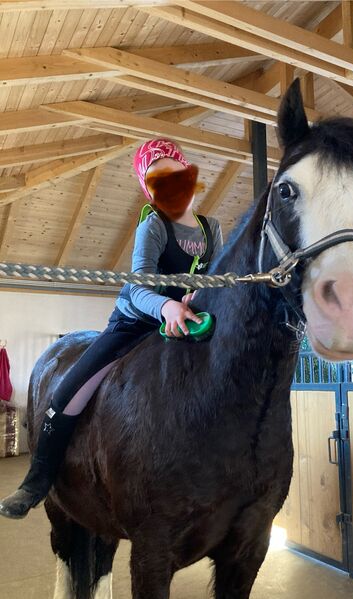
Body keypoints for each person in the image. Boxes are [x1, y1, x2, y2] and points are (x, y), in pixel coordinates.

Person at [0, 139, 223, 519]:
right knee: (69, 391)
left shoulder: (210, 228)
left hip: (185, 324)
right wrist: (166, 304)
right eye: (157, 179)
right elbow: (139, 286)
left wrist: (195, 303)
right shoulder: (152, 225)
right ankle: (37, 480)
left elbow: (219, 281)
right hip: (136, 323)